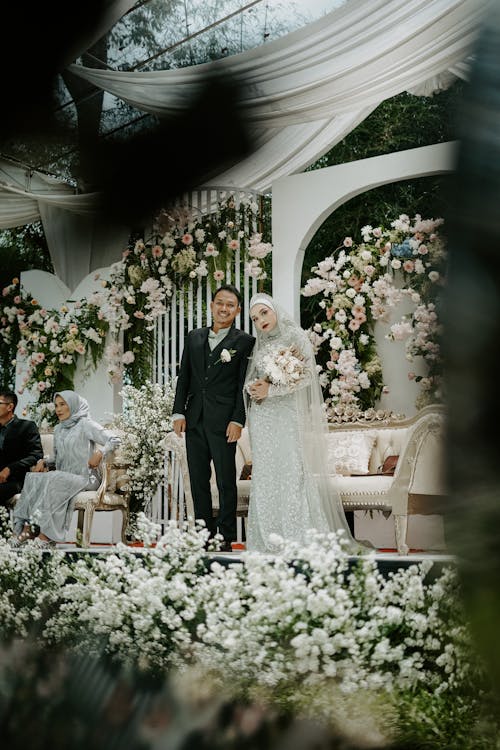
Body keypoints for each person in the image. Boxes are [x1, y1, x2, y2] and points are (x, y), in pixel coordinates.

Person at [244, 293, 357, 553]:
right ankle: (267, 541)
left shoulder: (296, 337)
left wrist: (271, 390)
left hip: (286, 415)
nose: (260, 320)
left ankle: (296, 537)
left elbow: (306, 378)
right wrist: (255, 388)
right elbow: (254, 380)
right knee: (266, 477)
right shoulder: (259, 346)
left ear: (275, 310)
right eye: (254, 317)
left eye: (263, 312)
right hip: (262, 418)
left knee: (291, 473)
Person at [172, 284, 255, 551]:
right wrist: (178, 411)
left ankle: (226, 538)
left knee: (225, 480)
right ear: (211, 305)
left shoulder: (244, 342)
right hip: (194, 419)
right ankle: (203, 536)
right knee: (198, 481)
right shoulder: (194, 337)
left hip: (224, 422)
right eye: (220, 302)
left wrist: (238, 420)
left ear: (238, 310)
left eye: (230, 305)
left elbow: (244, 383)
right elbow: (184, 377)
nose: (224, 308)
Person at [11, 390, 120, 548]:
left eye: (63, 404)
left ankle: (45, 535)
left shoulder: (85, 424)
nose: (58, 409)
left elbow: (114, 439)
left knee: (55, 478)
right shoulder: (59, 429)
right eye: (56, 405)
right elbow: (57, 457)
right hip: (64, 476)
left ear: (73, 405)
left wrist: (100, 452)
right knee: (34, 477)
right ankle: (28, 528)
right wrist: (45, 461)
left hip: (85, 477)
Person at [0, 390, 43, 511]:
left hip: (18, 480)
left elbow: (36, 455)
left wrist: (10, 469)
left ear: (10, 406)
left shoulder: (27, 427)